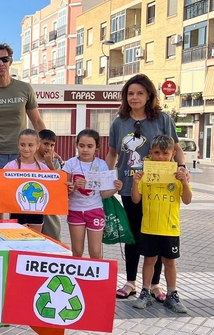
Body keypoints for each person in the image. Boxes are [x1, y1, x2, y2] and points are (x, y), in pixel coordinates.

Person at [106, 74, 189, 301]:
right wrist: (103, 179)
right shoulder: (118, 122)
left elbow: (177, 149)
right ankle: (131, 282)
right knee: (133, 236)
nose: (135, 97)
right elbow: (113, 153)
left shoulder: (162, 119)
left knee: (156, 236)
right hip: (129, 188)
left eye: (140, 93)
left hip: (159, 189)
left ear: (149, 95)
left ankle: (154, 285)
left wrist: (182, 167)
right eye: (130, 93)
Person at [130, 134, 192, 313]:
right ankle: (145, 291)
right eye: (156, 153)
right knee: (149, 260)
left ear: (173, 154)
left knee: (170, 262)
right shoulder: (146, 175)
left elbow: (187, 200)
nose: (161, 157)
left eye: (165, 153)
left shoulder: (178, 176)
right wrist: (135, 183)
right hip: (149, 227)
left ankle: (172, 294)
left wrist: (184, 183)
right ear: (150, 153)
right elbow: (135, 200)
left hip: (170, 228)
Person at [0, 43, 46, 187]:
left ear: (10, 61)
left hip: (22, 154)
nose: (0, 63)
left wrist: (47, 146)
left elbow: (37, 121)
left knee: (23, 198)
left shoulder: (25, 88)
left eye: (4, 59)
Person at [63, 129, 123, 259]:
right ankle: (77, 278)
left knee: (95, 252)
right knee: (77, 251)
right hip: (75, 210)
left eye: (90, 146)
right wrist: (73, 187)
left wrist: (115, 189)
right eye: (82, 146)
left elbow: (103, 194)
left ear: (96, 148)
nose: (85, 150)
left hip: (95, 210)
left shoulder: (101, 165)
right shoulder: (70, 164)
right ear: (77, 145)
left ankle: (96, 279)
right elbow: (63, 192)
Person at [0, 129, 49, 232]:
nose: (26, 148)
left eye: (30, 145)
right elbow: (2, 188)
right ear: (18, 145)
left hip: (37, 211)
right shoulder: (10, 166)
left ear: (37, 146)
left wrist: (64, 186)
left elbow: (51, 188)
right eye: (22, 145)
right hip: (17, 210)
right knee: (19, 240)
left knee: (35, 240)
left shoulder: (43, 168)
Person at [37, 129, 64, 241]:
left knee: (53, 239)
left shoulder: (56, 163)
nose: (49, 148)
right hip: (33, 207)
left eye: (52, 145)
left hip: (50, 209)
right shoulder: (29, 161)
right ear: (38, 143)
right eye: (46, 144)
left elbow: (59, 183)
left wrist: (49, 164)